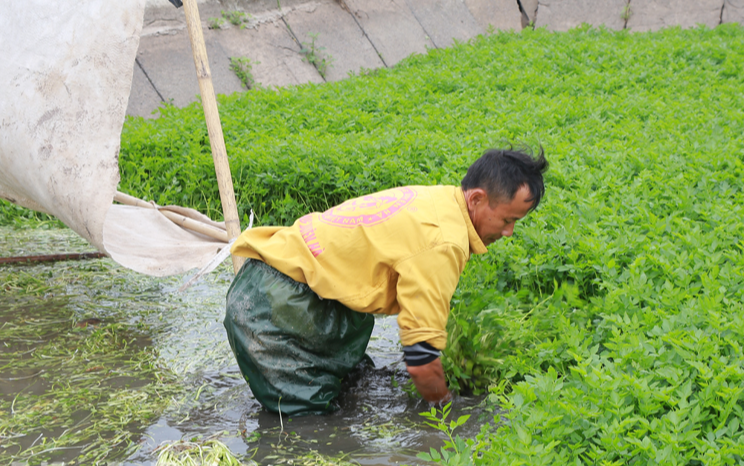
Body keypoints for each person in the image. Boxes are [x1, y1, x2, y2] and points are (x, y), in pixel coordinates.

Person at [224, 146, 548, 415]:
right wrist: (446, 412)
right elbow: (421, 357)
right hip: (274, 303)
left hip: (294, 279)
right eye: (507, 220)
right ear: (476, 199)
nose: (509, 232)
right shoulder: (443, 242)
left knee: (354, 379)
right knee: (307, 423)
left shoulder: (440, 201)